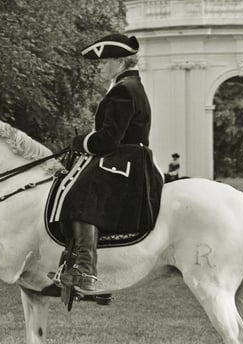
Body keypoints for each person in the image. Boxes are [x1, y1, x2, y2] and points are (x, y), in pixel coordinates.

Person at [53, 33, 164, 294]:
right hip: (123, 157)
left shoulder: (124, 90)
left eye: (104, 62)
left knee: (81, 195)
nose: (100, 67)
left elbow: (108, 139)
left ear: (120, 61)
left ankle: (85, 267)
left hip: (124, 160)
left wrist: (79, 143)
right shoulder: (126, 86)